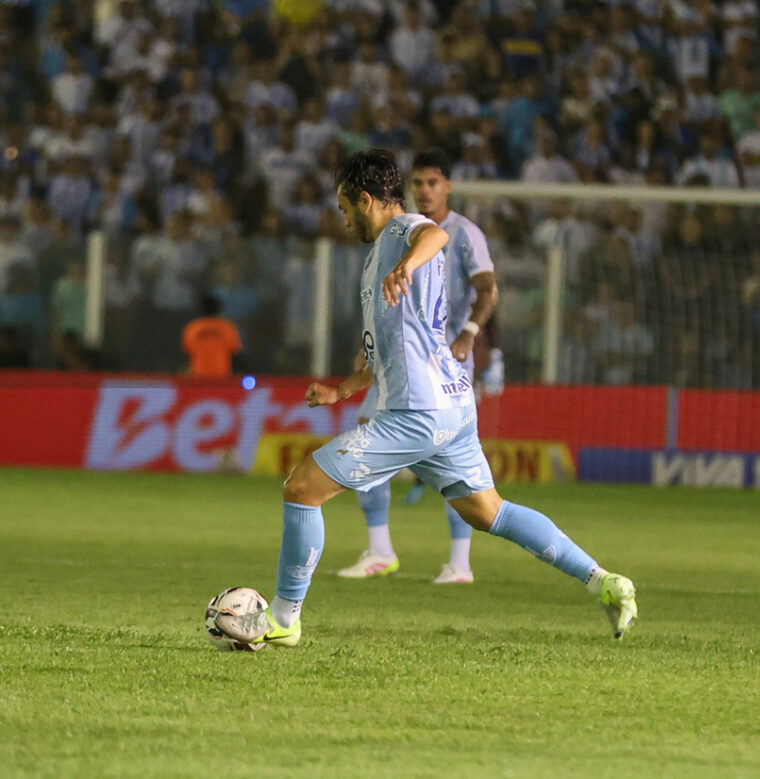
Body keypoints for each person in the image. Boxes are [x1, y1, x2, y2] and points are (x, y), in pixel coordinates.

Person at [214, 149, 637, 648]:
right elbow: (389, 344)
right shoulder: (379, 256)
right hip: (450, 405)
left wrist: (408, 264)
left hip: (418, 411)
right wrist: (344, 388)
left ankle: (283, 621)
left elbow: (435, 234)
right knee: (488, 512)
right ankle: (605, 582)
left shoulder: (402, 231)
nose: (345, 220)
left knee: (302, 487)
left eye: (346, 209)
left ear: (367, 201)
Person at [338, 147, 500, 585]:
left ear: (447, 186)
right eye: (418, 183)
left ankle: (460, 561)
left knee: (460, 466)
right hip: (396, 360)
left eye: (433, 183)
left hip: (444, 364)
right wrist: (367, 347)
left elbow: (488, 291)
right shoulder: (389, 234)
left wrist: (469, 333)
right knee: (365, 426)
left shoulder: (460, 233)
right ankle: (379, 549)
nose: (425, 191)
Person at [182, 294, 242, 377]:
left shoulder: (192, 328)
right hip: (222, 376)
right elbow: (235, 350)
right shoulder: (227, 327)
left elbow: (188, 349)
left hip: (198, 375)